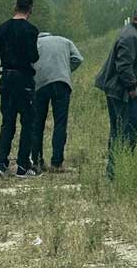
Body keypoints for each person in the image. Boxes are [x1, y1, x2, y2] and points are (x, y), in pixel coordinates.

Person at [94, 5, 137, 179]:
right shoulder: (131, 37)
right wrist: (132, 88)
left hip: (123, 92)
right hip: (124, 93)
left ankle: (117, 171)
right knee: (126, 132)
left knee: (120, 131)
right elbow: (124, 66)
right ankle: (117, 172)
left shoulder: (135, 34)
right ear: (136, 19)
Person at [0, 0, 41, 178]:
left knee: (7, 122)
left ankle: (1, 163)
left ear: (15, 6)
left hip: (7, 79)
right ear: (30, 9)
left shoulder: (3, 28)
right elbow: (34, 57)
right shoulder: (31, 30)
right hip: (24, 80)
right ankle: (22, 165)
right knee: (27, 122)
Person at [29, 31, 84, 173]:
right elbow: (78, 59)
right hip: (61, 83)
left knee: (37, 123)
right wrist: (66, 70)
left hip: (40, 85)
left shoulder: (34, 43)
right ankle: (57, 163)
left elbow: (27, 62)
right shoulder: (65, 41)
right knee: (60, 123)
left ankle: (37, 161)